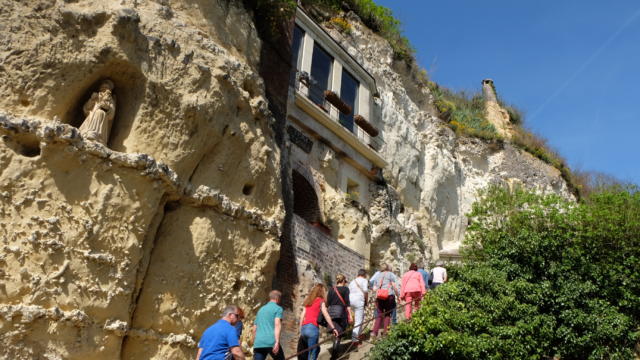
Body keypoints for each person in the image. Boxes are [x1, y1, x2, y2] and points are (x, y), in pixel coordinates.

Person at [298, 284, 339, 360]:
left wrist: (300, 329)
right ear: (322, 292)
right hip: (312, 328)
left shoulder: (308, 301)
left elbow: (302, 316)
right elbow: (326, 315)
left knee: (316, 349)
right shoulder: (321, 301)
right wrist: (333, 328)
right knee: (312, 354)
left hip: (304, 329)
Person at [327, 274, 353, 359]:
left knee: (335, 333)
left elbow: (328, 303)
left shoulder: (331, 289)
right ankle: (334, 356)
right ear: (343, 281)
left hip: (332, 313)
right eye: (345, 282)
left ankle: (334, 354)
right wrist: (350, 315)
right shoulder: (345, 289)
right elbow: (347, 303)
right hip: (341, 314)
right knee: (339, 335)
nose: (345, 283)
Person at [253, 290, 285, 360]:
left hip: (258, 342)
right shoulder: (278, 308)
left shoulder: (261, 310)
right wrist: (277, 342)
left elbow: (255, 328)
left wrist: (255, 342)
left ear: (270, 298)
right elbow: (277, 324)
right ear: (278, 299)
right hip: (271, 341)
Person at [370, 264, 399, 337]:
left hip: (379, 297)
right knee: (387, 314)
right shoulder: (390, 274)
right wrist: (398, 296)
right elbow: (394, 286)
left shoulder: (378, 275)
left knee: (379, 315)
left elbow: (374, 288)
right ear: (388, 268)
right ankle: (386, 332)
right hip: (389, 296)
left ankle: (374, 333)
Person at [348, 269, 368, 345]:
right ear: (364, 275)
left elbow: (349, 291)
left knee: (361, 318)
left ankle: (358, 335)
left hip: (351, 301)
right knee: (358, 321)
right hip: (359, 301)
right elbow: (365, 291)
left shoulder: (353, 281)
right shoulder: (364, 280)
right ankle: (355, 340)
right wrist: (366, 301)